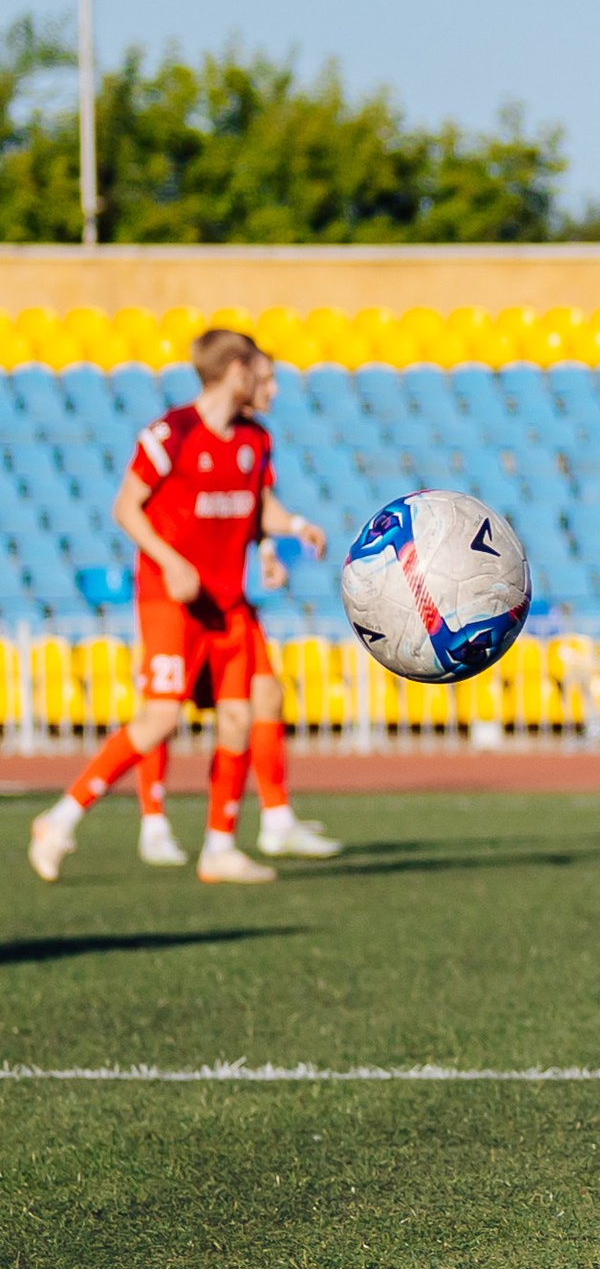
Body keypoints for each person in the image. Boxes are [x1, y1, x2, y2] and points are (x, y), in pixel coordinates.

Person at [29, 330, 329, 885]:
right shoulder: (172, 433)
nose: (275, 386)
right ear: (237, 371)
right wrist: (169, 561)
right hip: (171, 600)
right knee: (160, 718)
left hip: (227, 602)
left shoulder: (255, 441)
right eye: (265, 374)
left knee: (240, 715)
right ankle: (59, 818)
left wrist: (290, 529)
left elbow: (256, 504)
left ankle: (219, 847)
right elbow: (126, 507)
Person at [133, 529, 343, 865]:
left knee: (266, 696)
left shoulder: (251, 475)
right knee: (162, 711)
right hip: (178, 596)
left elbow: (251, 501)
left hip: (229, 600)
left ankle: (273, 821)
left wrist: (273, 543)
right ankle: (152, 824)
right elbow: (133, 508)